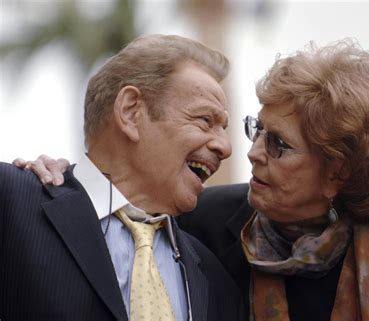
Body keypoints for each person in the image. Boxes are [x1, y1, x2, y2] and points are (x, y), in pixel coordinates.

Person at [18, 39, 369, 321]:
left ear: (339, 171)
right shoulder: (207, 223)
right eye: (258, 129)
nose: (250, 152)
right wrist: (58, 179)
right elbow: (109, 223)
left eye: (279, 144)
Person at [1, 34, 244, 321]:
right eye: (205, 120)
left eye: (223, 128)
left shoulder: (217, 281)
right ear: (130, 111)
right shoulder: (12, 204)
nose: (225, 147)